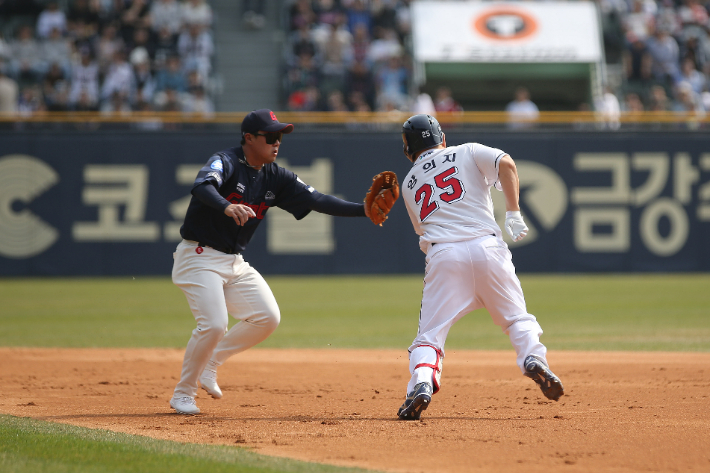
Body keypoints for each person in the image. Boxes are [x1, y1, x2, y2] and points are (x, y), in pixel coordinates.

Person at [169, 109, 368, 415]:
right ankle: (183, 393)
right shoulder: (226, 160)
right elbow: (202, 186)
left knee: (266, 317)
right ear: (249, 138)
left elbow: (317, 200)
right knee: (214, 324)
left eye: (280, 137)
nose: (277, 143)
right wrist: (226, 206)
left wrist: (364, 210)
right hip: (198, 255)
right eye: (271, 137)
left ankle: (211, 362)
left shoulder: (275, 175)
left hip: (233, 261)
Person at [395, 114, 564, 421]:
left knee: (429, 336)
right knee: (516, 318)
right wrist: (512, 212)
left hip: (444, 255)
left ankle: (421, 382)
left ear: (408, 151)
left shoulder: (408, 183)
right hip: (489, 249)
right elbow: (507, 164)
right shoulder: (467, 150)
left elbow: (423, 229)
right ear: (441, 139)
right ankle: (532, 358)